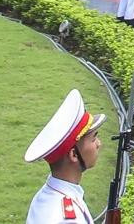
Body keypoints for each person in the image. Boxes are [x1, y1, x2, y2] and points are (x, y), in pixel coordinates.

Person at [23, 88, 104, 224]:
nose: (99, 144)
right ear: (73, 155)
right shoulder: (69, 220)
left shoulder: (46, 195)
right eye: (93, 138)